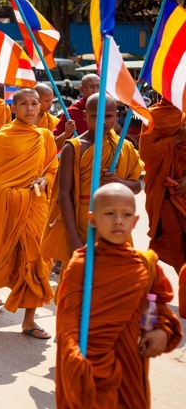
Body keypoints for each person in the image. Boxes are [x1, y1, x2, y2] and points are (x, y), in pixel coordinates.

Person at [54, 183, 183, 409]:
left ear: (136, 221)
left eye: (125, 215)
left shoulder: (144, 265)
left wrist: (161, 331)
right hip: (92, 371)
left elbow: (159, 306)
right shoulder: (82, 265)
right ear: (92, 219)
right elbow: (68, 322)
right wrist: (75, 363)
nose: (118, 221)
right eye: (109, 213)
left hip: (129, 370)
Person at [0, 87, 58, 337]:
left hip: (36, 206)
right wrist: (16, 194)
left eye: (34, 103)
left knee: (36, 260)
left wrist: (45, 180)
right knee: (7, 256)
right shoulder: (3, 137)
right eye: (24, 104)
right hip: (12, 208)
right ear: (14, 108)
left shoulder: (45, 136)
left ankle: (29, 320)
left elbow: (52, 169)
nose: (30, 108)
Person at [42, 94, 143, 270]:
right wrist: (72, 237)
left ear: (116, 115)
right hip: (83, 221)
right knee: (81, 277)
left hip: (116, 222)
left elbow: (136, 187)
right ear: (84, 116)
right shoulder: (73, 147)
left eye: (108, 116)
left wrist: (119, 182)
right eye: (95, 116)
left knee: (115, 276)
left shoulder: (124, 147)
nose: (102, 121)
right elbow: (63, 194)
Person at [138, 98, 186, 272]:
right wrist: (175, 140)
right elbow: (145, 152)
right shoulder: (152, 115)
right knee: (176, 245)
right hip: (164, 192)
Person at [53, 74, 99, 143]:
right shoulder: (71, 113)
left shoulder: (107, 109)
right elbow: (54, 143)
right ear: (81, 89)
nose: (95, 90)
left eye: (98, 87)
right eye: (91, 87)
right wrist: (66, 134)